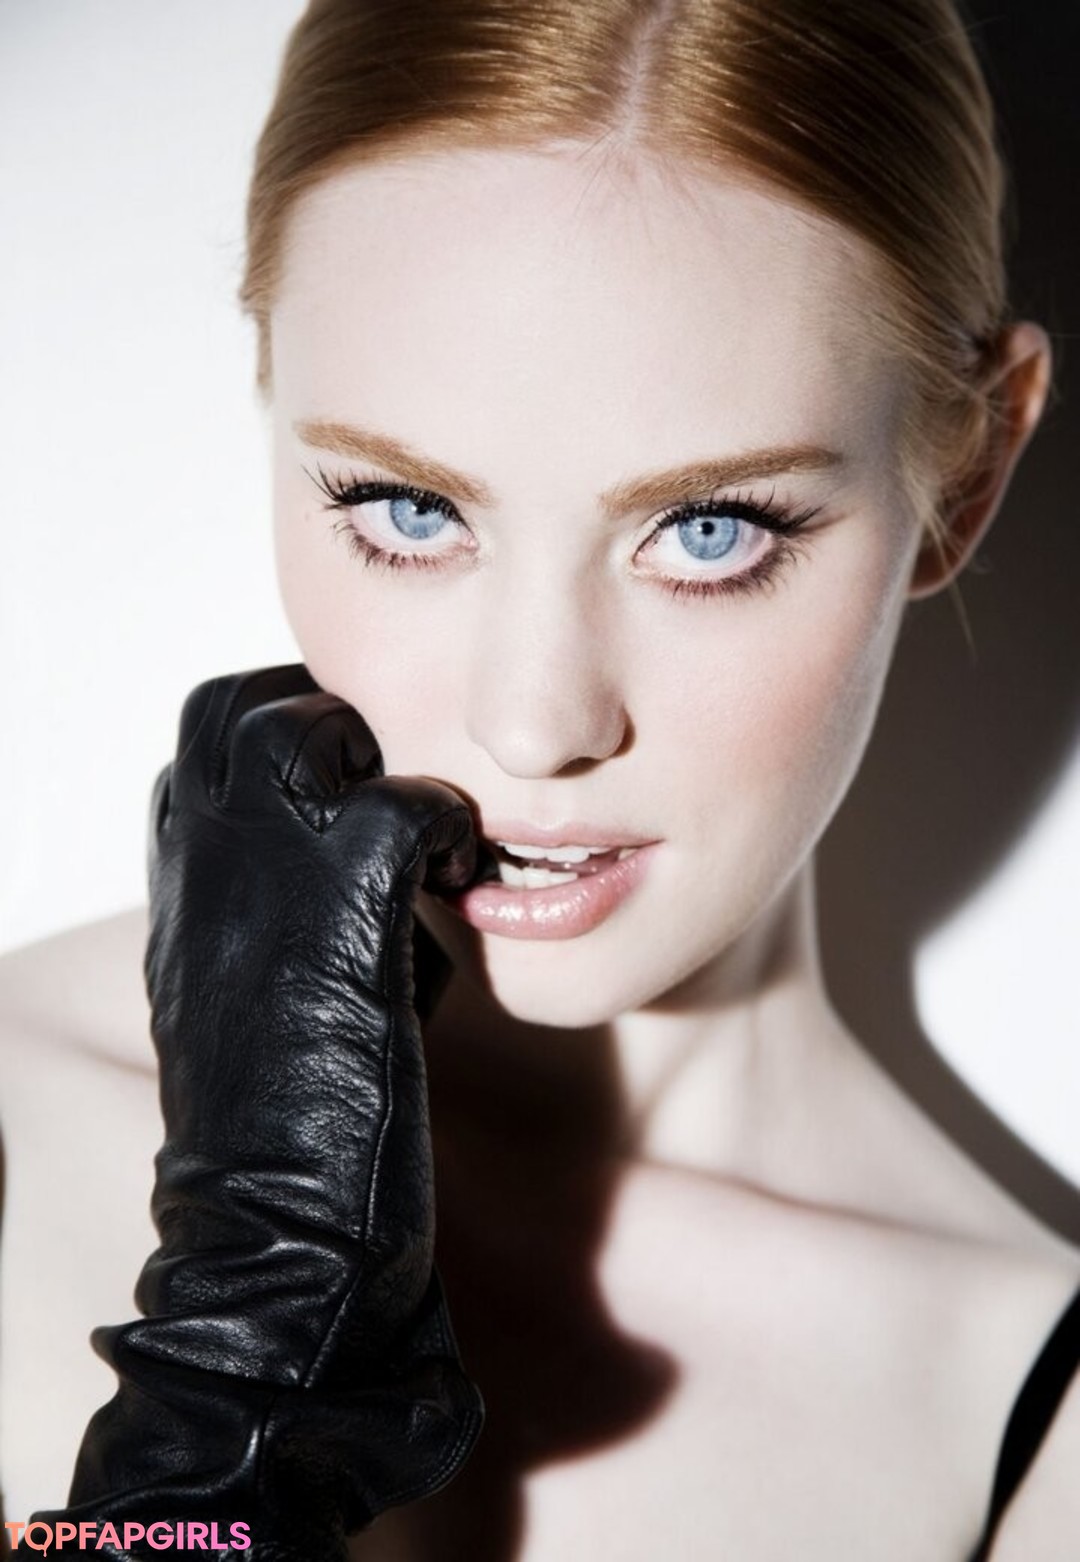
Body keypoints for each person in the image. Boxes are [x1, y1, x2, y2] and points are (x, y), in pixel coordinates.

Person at [2, 0, 1079, 1557]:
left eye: (709, 530)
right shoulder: (20, 1109)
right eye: (408, 508)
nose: (533, 723)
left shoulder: (1027, 1421)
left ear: (965, 474)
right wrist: (239, 1345)